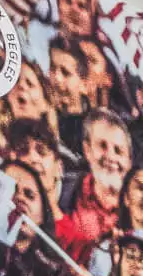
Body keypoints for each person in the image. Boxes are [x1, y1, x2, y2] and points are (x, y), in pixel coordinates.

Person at [55, 108, 132, 255]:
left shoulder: (138, 205)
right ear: (87, 150)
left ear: (129, 161)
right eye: (102, 146)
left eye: (118, 150)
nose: (110, 156)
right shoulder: (62, 191)